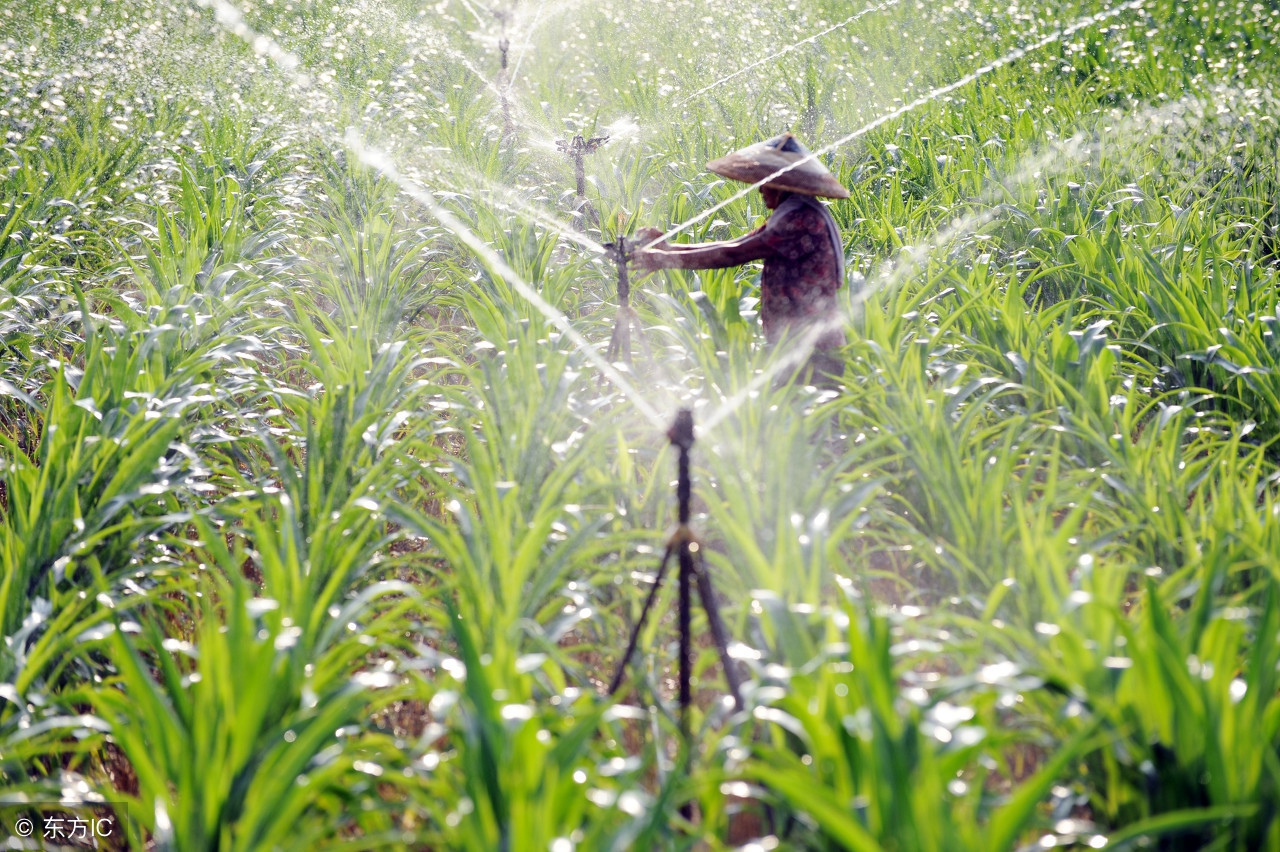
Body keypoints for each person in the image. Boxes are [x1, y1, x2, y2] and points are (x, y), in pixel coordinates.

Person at [631, 132, 849, 381]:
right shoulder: (791, 213)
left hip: (812, 349)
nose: (760, 189)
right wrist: (668, 249)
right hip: (795, 343)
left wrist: (663, 259)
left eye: (765, 181)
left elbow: (735, 254)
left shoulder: (800, 219)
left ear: (783, 183)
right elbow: (735, 243)